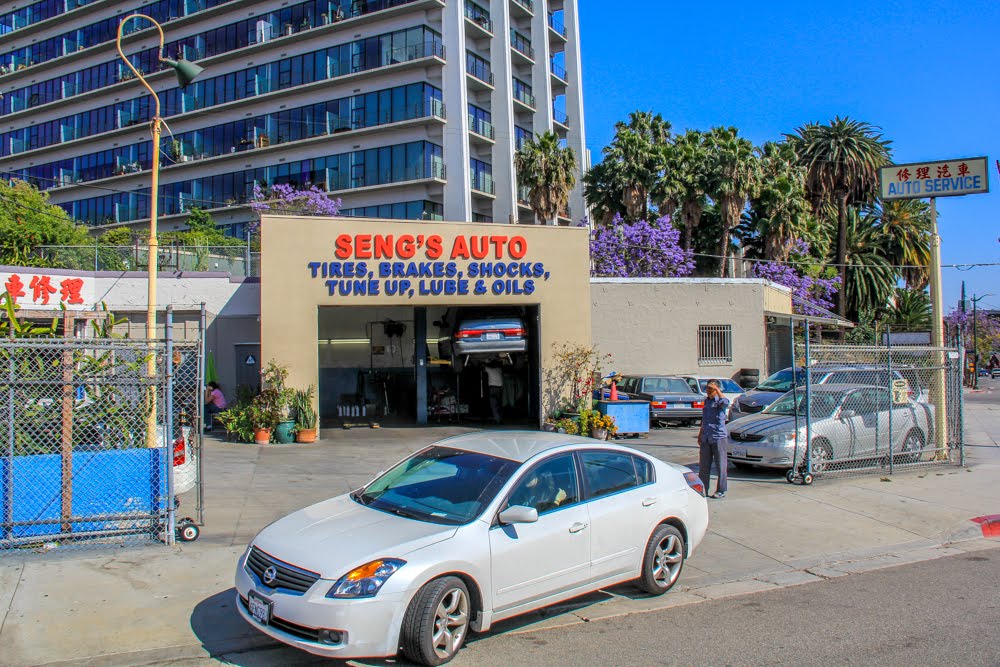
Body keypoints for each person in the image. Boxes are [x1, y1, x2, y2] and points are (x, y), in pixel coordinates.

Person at [698, 379, 731, 499]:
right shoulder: (707, 402)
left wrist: (717, 390)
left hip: (718, 437)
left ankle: (721, 490)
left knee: (720, 465)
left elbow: (726, 402)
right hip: (706, 437)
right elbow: (704, 420)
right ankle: (703, 489)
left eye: (710, 389)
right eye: (707, 389)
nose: (708, 391)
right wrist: (700, 434)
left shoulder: (720, 402)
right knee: (704, 465)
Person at [484, 359, 504, 424]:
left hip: (493, 388)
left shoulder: (490, 370)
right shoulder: (499, 370)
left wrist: (486, 362)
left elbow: (483, 367)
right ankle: (500, 419)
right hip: (499, 388)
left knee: (494, 405)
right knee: (499, 404)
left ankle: (497, 419)